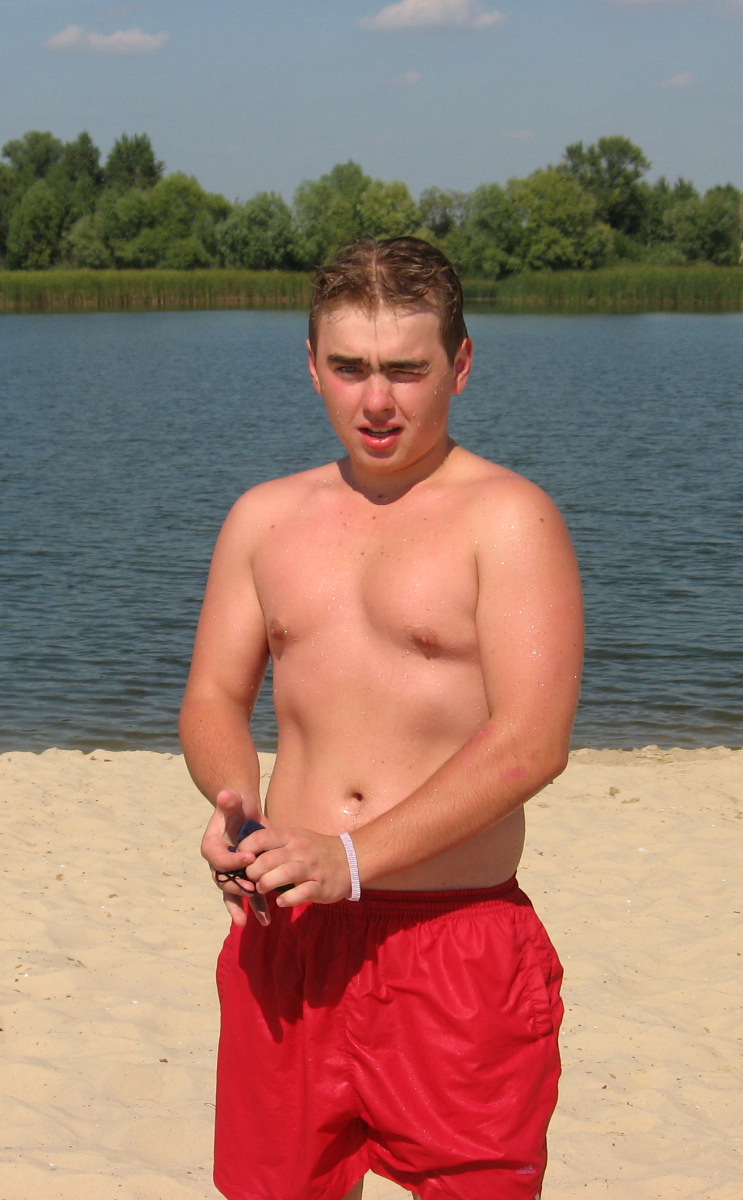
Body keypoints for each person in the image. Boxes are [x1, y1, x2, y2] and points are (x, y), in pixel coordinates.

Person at [179, 236, 584, 1200]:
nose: (377, 401)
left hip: (452, 938)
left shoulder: (509, 519)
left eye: (407, 370)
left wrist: (353, 859)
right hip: (290, 932)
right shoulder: (265, 518)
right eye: (351, 367)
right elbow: (213, 698)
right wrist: (238, 808)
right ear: (311, 364)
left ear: (461, 364)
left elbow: (531, 742)